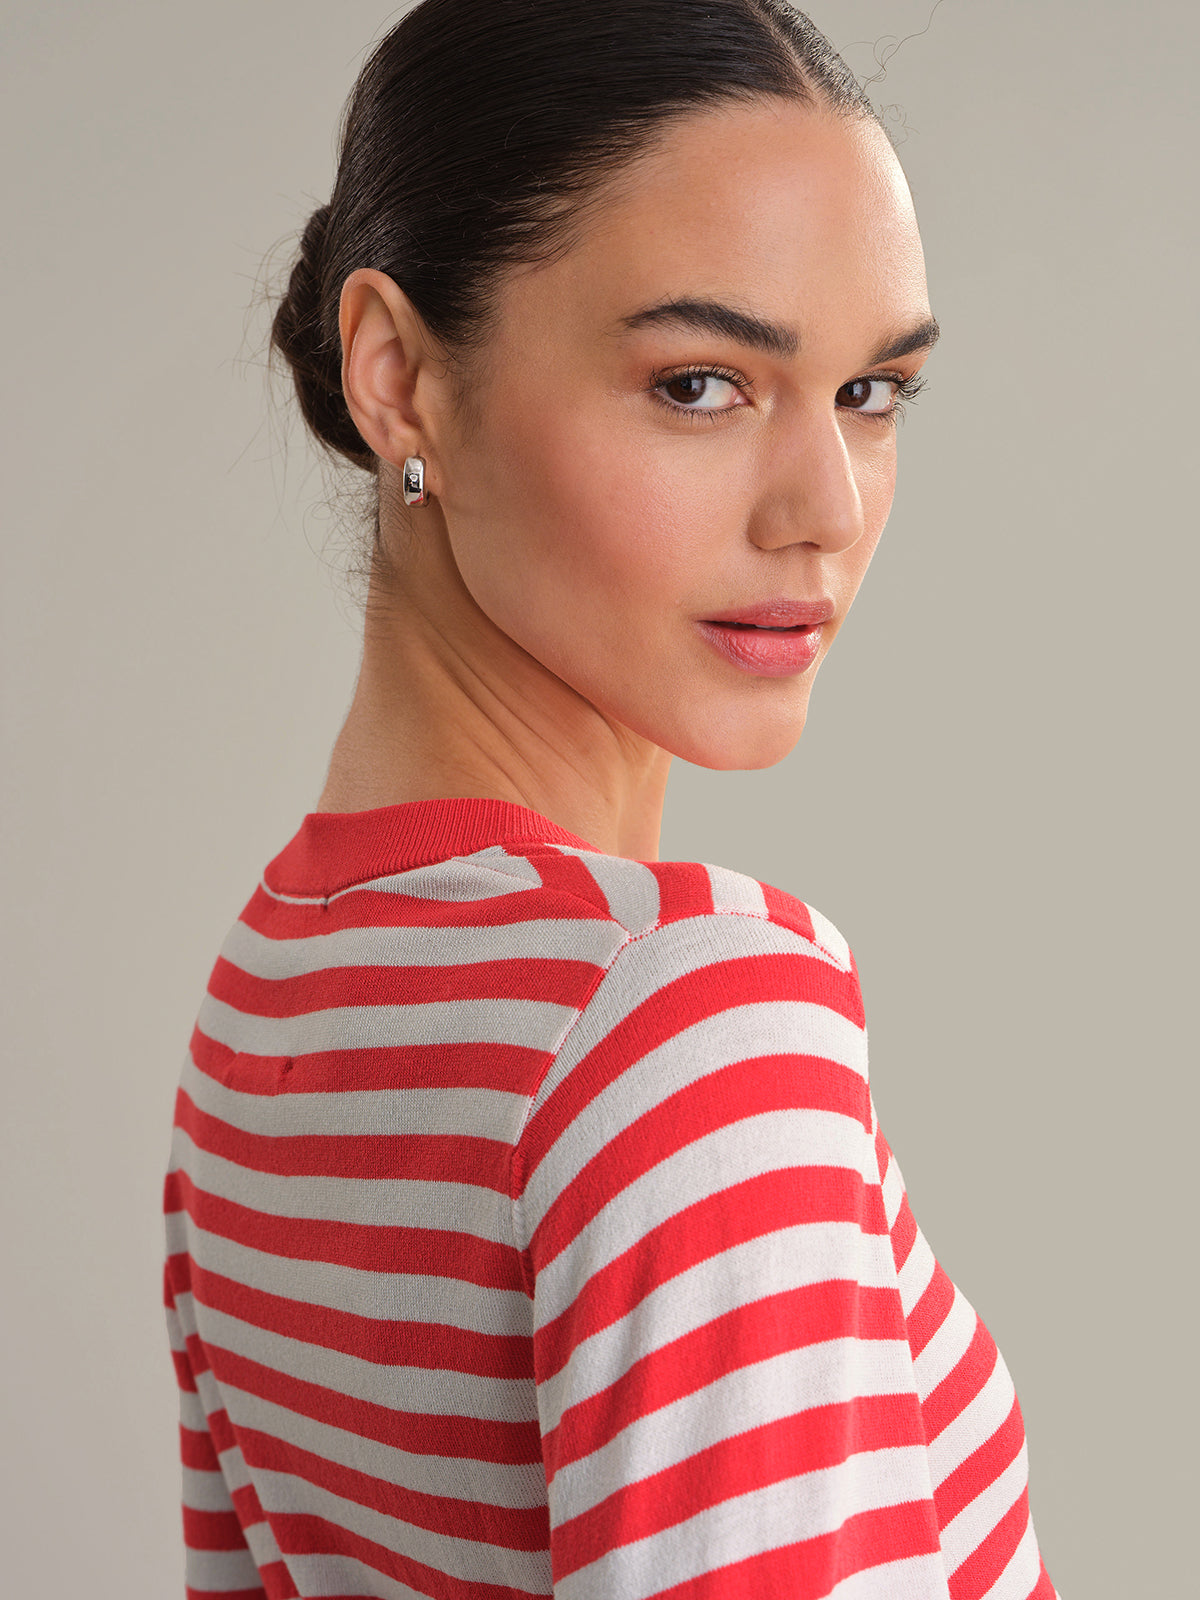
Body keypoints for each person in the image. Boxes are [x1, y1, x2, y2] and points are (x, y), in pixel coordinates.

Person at [162, 2, 1060, 1596]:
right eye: (702, 385)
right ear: (399, 377)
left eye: (873, 392)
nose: (825, 511)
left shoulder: (263, 1014)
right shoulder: (686, 1020)